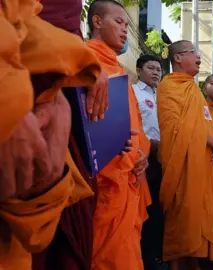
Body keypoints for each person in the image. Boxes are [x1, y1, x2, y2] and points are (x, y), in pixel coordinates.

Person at [0, 0, 102, 269]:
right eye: (120, 22)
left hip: (48, 96)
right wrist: (8, 100)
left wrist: (79, 61)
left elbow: (25, 18)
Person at [85, 1, 152, 269]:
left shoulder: (119, 71)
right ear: (97, 22)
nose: (125, 30)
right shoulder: (84, 62)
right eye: (118, 22)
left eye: (126, 24)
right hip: (103, 181)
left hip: (130, 174)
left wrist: (143, 153)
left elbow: (136, 125)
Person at [157, 40, 213, 270]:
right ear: (178, 58)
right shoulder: (168, 87)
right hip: (182, 167)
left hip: (202, 162)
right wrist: (210, 141)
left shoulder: (193, 89)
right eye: (193, 52)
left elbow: (204, 122)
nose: (198, 57)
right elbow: (174, 131)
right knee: (183, 218)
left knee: (197, 219)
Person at [132, 54, 166, 270]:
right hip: (142, 158)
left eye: (158, 69)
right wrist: (148, 145)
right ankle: (143, 257)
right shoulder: (132, 92)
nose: (156, 72)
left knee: (161, 208)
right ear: (138, 70)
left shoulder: (163, 96)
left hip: (163, 157)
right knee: (144, 208)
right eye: (151, 68)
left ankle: (156, 254)